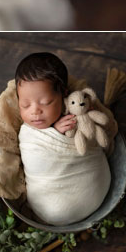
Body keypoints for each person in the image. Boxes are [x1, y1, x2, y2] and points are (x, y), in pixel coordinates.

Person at [14, 52, 111, 225]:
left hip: (91, 187)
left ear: (63, 95)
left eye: (46, 102)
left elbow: (89, 138)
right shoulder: (28, 132)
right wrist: (55, 133)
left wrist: (63, 131)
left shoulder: (75, 114)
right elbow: (37, 160)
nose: (35, 111)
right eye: (25, 105)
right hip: (51, 204)